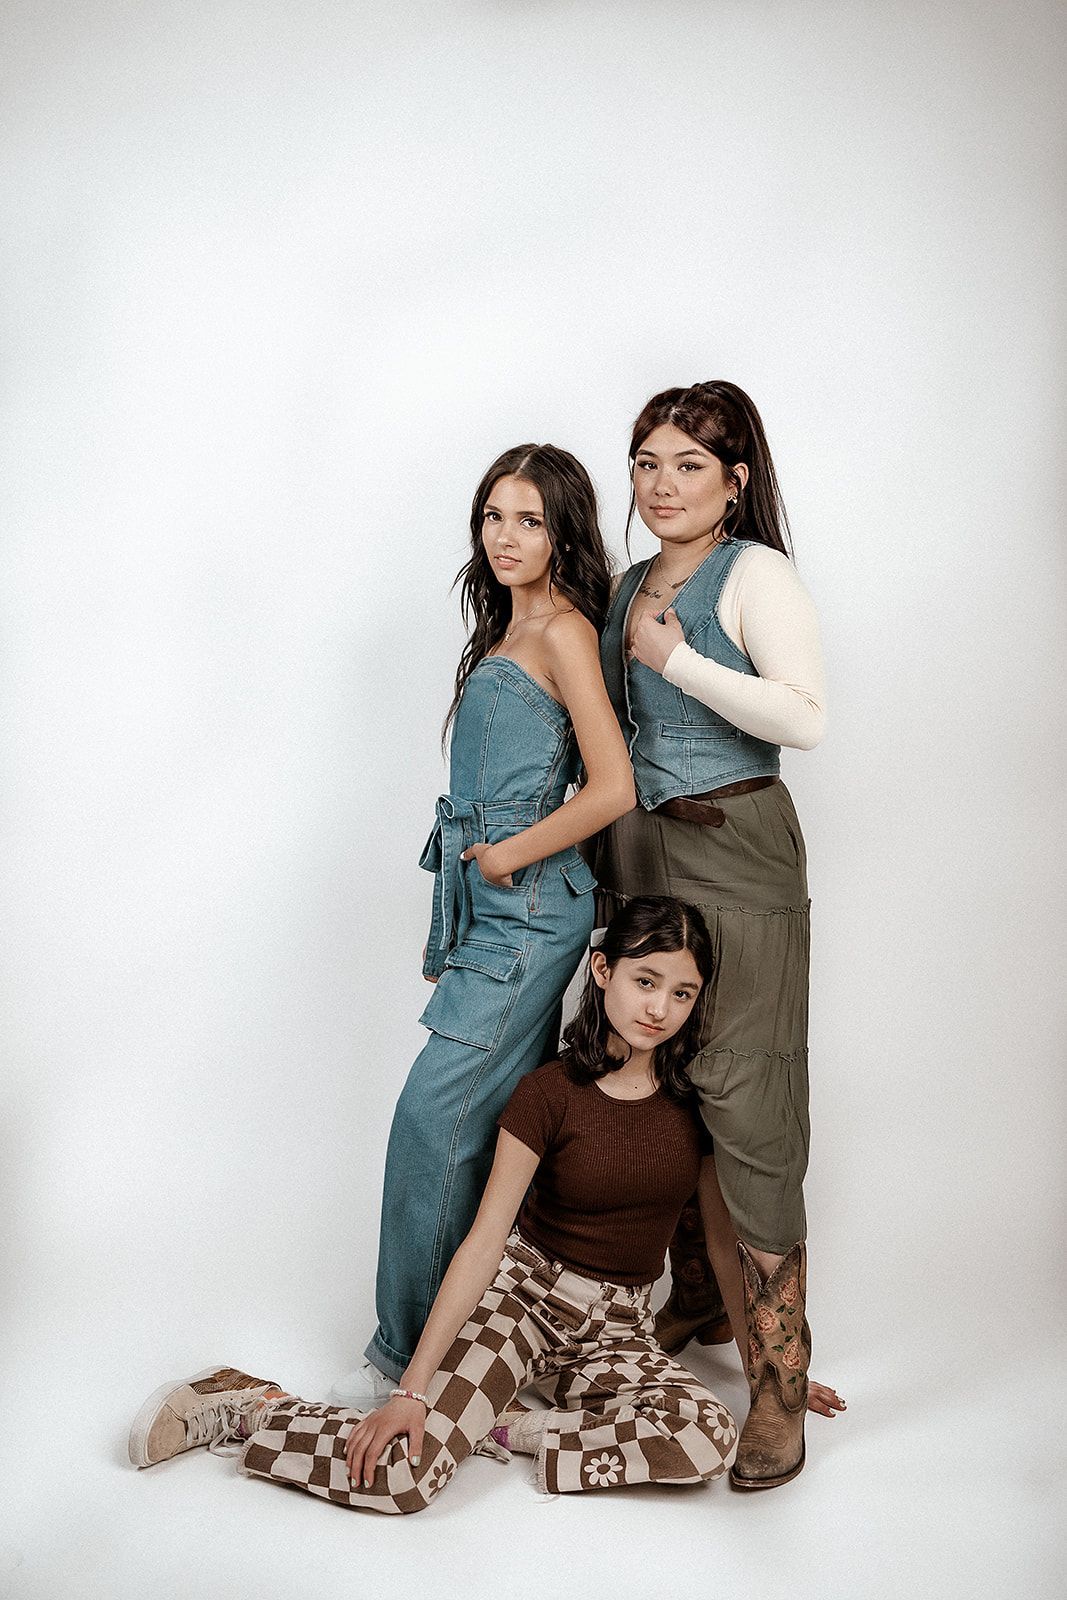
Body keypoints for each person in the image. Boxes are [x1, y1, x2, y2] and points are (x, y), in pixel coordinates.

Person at [128, 897, 740, 1510]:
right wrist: (413, 1390)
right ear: (603, 972)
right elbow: (485, 1239)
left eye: (683, 993)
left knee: (709, 1436)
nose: (660, 1009)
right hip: (523, 1304)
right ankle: (249, 1408)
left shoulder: (697, 1111)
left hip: (616, 1328)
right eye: (646, 980)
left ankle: (507, 1429)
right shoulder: (548, 1094)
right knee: (402, 1477)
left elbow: (720, 1248)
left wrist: (772, 1378)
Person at [590, 380, 842, 1490]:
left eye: (687, 463)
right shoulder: (632, 581)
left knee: (746, 1093)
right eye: (646, 462)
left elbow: (805, 716)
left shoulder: (757, 574)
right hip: (639, 853)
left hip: (733, 845)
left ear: (734, 480)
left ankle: (778, 1389)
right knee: (659, 1077)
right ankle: (698, 1300)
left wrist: (675, 658)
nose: (660, 483)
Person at [347, 444, 635, 1398]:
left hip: (529, 910)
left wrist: (507, 858)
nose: (506, 538)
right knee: (473, 1124)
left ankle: (408, 1365)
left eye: (530, 521)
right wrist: (460, 912)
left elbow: (613, 787)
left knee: (432, 1122)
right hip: (493, 915)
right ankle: (464, 1345)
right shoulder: (506, 633)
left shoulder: (560, 631)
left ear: (562, 535)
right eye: (493, 517)